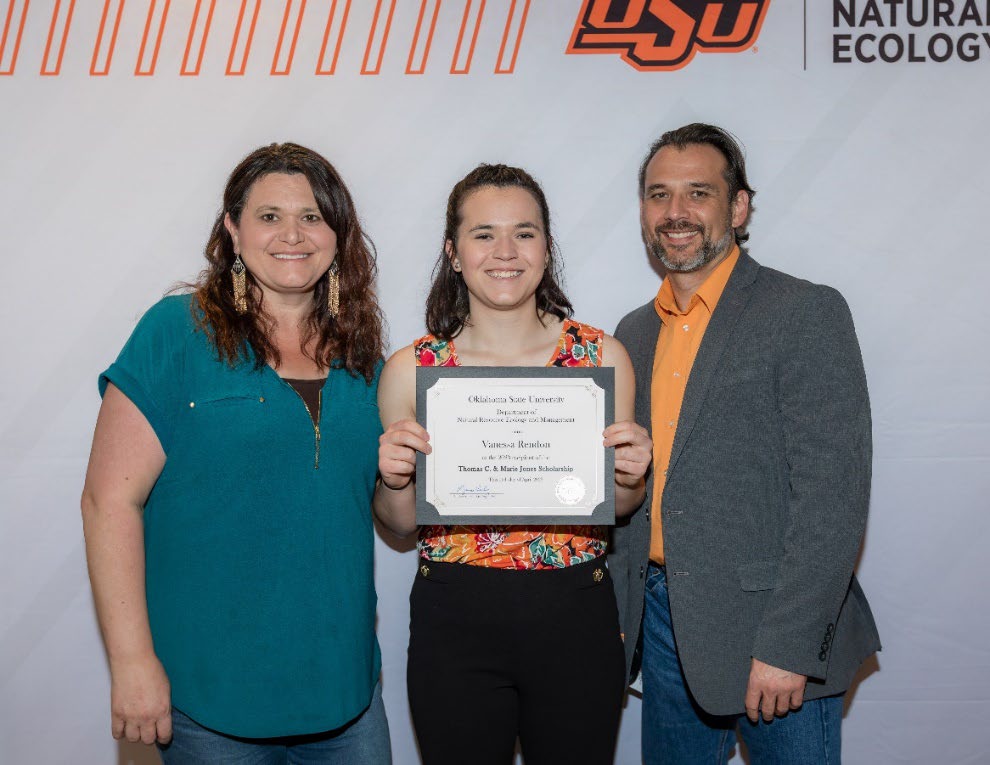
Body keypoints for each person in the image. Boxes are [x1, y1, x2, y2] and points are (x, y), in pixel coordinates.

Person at [80, 143, 391, 764]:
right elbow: (108, 501)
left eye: (312, 216)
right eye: (269, 216)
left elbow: (393, 516)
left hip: (346, 696)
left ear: (339, 232)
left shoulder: (366, 357)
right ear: (232, 229)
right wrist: (133, 661)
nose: (293, 235)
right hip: (210, 700)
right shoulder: (175, 331)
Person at [609, 123, 882, 764]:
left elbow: (833, 494)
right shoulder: (632, 332)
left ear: (738, 207)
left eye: (697, 193)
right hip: (661, 620)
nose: (675, 213)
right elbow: (631, 485)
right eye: (658, 195)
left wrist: (788, 646)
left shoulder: (803, 310)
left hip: (771, 627)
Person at [373, 163, 652, 765]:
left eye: (524, 233)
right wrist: (395, 478)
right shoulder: (411, 370)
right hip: (455, 619)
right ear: (453, 252)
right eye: (483, 234)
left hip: (576, 614)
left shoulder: (599, 356)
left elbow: (619, 506)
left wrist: (630, 476)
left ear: (547, 248)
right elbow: (398, 524)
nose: (505, 252)